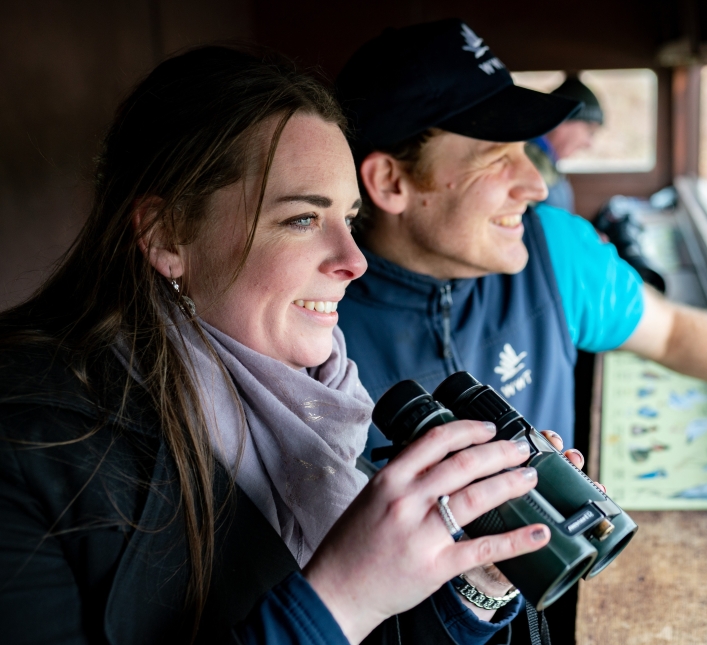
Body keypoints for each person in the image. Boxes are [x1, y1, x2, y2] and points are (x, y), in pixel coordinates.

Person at [0, 46, 565, 645]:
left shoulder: (316, 399)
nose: (354, 261)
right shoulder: (27, 447)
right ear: (168, 236)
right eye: (301, 219)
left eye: (349, 219)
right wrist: (344, 597)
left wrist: (471, 577)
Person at [336, 18, 707, 499]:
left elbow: (675, 330)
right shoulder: (311, 325)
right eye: (496, 156)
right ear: (391, 182)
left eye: (527, 150)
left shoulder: (552, 248)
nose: (537, 185)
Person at [525, 75, 603, 212]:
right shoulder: (528, 162)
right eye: (589, 131)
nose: (589, 144)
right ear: (562, 120)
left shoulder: (546, 159)